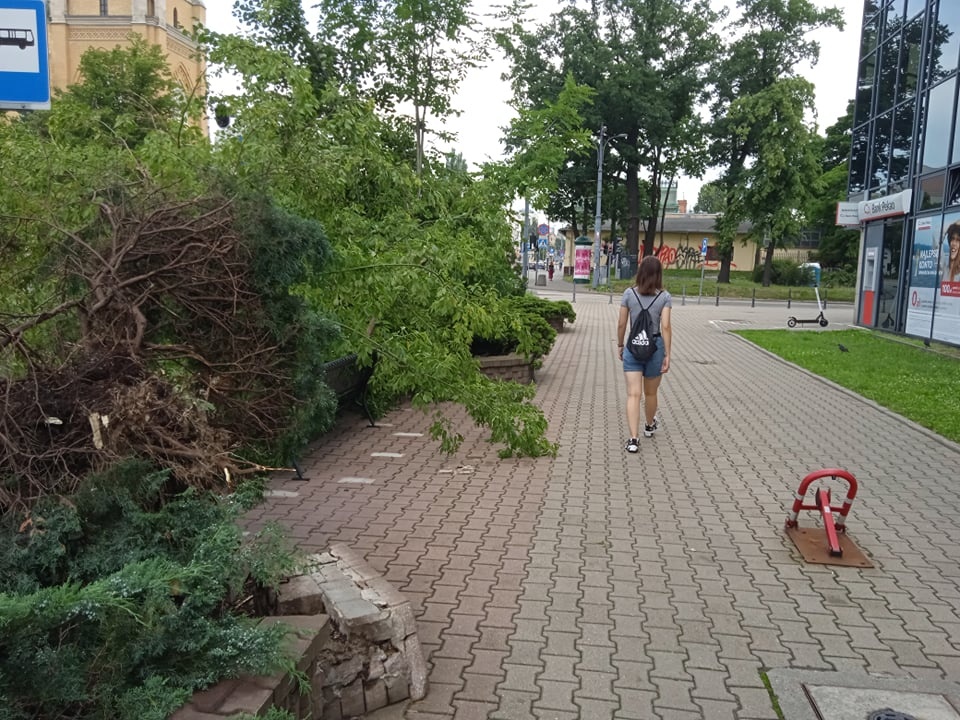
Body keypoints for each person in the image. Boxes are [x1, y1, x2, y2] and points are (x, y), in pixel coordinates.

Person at [617, 255, 672, 453]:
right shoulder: (664, 297)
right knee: (650, 393)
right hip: (655, 347)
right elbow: (665, 326)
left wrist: (620, 345)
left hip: (633, 346)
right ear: (658, 275)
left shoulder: (628, 294)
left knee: (633, 394)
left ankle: (633, 439)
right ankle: (649, 425)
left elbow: (622, 323)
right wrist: (667, 354)